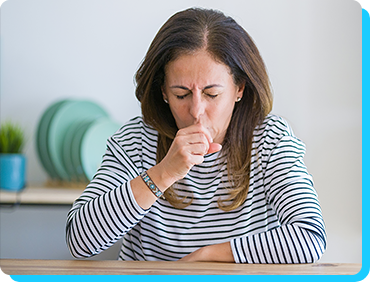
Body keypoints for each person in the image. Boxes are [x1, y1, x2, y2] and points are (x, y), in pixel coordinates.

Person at [66, 7, 326, 263]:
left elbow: (310, 237)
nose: (196, 111)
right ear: (164, 92)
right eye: (181, 94)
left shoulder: (269, 139)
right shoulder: (134, 140)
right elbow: (78, 241)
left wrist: (210, 254)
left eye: (212, 94)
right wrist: (164, 172)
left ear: (240, 89)